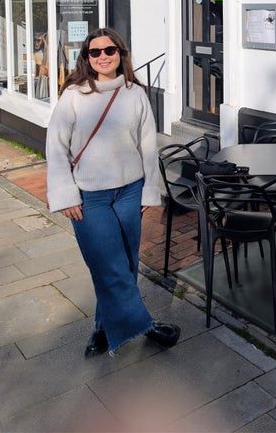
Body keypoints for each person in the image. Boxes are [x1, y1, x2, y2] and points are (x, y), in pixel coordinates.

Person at [46, 27, 180, 357]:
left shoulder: (135, 93)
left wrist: (149, 190)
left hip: (130, 191)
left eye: (110, 50)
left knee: (126, 262)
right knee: (109, 266)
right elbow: (56, 147)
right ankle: (145, 325)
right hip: (90, 197)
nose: (103, 56)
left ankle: (103, 329)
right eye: (95, 52)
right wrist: (65, 193)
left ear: (121, 54)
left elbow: (147, 146)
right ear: (87, 58)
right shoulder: (74, 94)